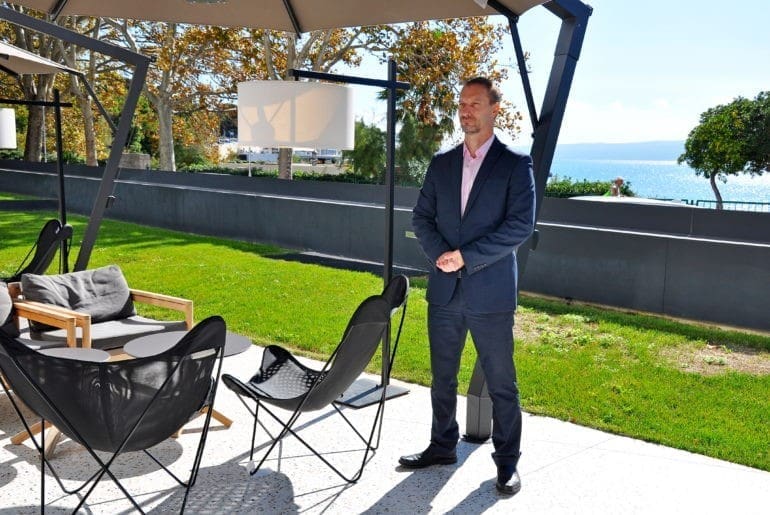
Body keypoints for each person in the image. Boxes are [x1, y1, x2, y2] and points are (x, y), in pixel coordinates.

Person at [402, 77, 536, 496]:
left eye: (475, 103)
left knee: (501, 383)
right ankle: (442, 445)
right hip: (445, 290)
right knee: (442, 377)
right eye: (461, 103)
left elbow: (520, 226)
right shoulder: (442, 163)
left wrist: (465, 256)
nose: (465, 111)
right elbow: (421, 217)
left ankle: (507, 463)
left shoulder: (515, 164)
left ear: (495, 109)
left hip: (491, 293)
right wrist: (442, 254)